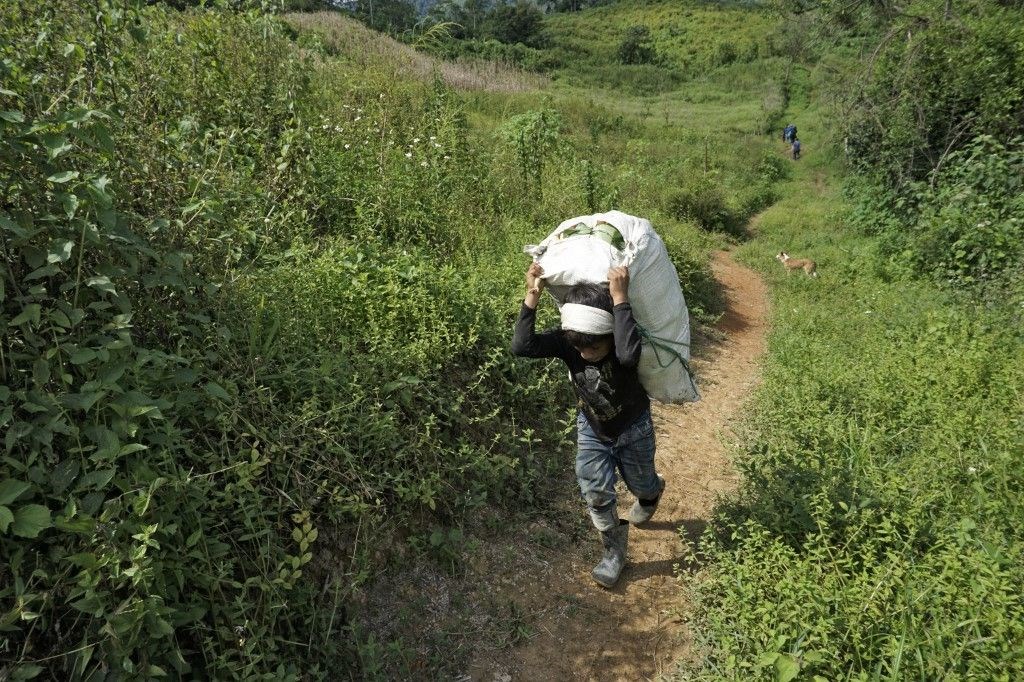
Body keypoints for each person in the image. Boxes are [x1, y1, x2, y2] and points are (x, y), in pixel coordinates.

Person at [511, 262, 665, 589]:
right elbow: (522, 347)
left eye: (594, 346)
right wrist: (532, 295)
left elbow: (626, 357)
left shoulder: (624, 338)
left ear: (611, 331)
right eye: (579, 347)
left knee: (641, 484)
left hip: (633, 427)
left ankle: (651, 493)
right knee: (594, 490)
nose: (586, 353)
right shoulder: (572, 342)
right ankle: (613, 552)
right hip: (592, 428)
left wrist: (620, 298)